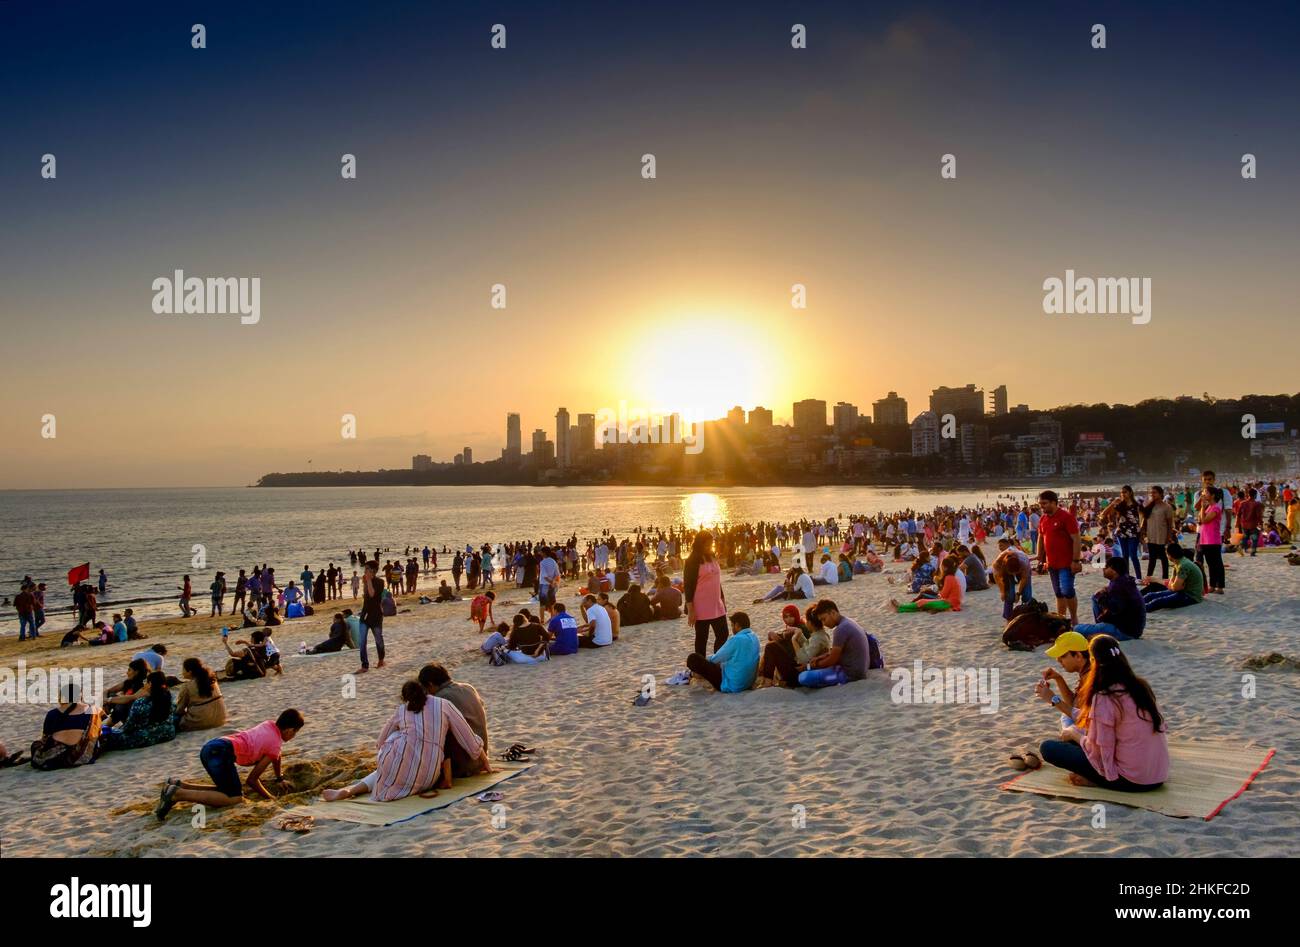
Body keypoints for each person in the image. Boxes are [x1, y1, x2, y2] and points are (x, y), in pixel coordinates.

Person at [1038, 635, 1169, 791]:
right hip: (1158, 776)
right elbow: (1091, 719)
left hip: (1131, 781)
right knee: (1074, 731)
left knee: (1048, 748)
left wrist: (1074, 734)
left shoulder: (1105, 696)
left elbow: (1099, 752)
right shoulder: (1140, 686)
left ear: (1094, 663)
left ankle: (1097, 781)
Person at [321, 683, 490, 802]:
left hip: (400, 771)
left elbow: (380, 743)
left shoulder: (401, 710)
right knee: (401, 759)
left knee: (391, 754)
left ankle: (349, 791)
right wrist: (485, 762)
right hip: (429, 777)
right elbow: (468, 737)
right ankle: (352, 789)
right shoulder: (444, 704)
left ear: (405, 698)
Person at [157, 710, 305, 818]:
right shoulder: (274, 745)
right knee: (234, 798)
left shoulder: (269, 725)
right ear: (290, 730)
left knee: (226, 790)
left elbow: (276, 757)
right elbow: (252, 780)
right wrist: (271, 799)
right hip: (221, 753)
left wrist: (279, 778)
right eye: (295, 732)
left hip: (213, 746)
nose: (294, 736)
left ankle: (180, 785)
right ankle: (178, 794)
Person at [419, 662, 491, 775]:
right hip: (481, 758)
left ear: (430, 684)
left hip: (463, 765)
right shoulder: (469, 688)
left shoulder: (439, 699)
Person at [798, 599, 879, 688]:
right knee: (817, 667)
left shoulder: (840, 629)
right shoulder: (849, 621)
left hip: (849, 675)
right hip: (859, 670)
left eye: (824, 619)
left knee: (803, 677)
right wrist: (819, 658)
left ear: (832, 612)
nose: (824, 623)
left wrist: (811, 666)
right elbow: (836, 652)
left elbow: (832, 660)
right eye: (821, 621)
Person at [30, 682, 103, 770]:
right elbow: (98, 732)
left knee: (35, 745)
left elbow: (45, 739)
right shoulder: (94, 709)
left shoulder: (52, 714)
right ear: (80, 695)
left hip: (56, 753)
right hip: (79, 753)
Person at [1035, 490, 1082, 624]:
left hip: (1067, 563)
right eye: (1040, 504)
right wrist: (1040, 556)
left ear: (1054, 502)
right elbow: (1041, 537)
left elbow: (1076, 539)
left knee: (1067, 590)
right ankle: (1061, 619)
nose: (1042, 506)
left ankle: (1073, 618)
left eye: (1044, 503)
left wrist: (1076, 560)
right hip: (1051, 563)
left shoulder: (1066, 517)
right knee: (1058, 593)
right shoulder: (1043, 519)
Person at [684, 611, 760, 692]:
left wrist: (705, 660)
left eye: (732, 625)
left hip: (732, 685)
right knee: (721, 663)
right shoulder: (755, 637)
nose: (732, 628)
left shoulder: (736, 639)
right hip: (748, 683)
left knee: (693, 658)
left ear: (737, 625)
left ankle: (692, 674)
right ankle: (695, 674)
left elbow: (716, 658)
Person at [101, 672, 176, 752]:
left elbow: (128, 727)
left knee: (107, 735)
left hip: (144, 737)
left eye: (146, 682)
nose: (144, 684)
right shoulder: (169, 697)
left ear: (150, 684)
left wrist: (117, 729)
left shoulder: (141, 702)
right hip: (168, 733)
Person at [758, 603, 829, 687]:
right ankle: (767, 679)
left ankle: (767, 681)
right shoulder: (818, 635)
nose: (788, 619)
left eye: (790, 616)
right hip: (802, 669)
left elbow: (803, 660)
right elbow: (806, 646)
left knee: (771, 646)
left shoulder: (817, 637)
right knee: (772, 646)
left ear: (810, 622)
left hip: (800, 673)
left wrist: (794, 639)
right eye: (785, 617)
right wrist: (798, 633)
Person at [1076, 556, 1146, 640]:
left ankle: (1101, 628)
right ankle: (1101, 626)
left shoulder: (1119, 586)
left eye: (1106, 567)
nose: (1103, 569)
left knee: (1077, 629)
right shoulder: (1123, 581)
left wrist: (1100, 596)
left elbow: (1114, 608)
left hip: (1125, 631)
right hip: (1131, 628)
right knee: (1095, 598)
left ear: (1113, 570)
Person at [684, 531, 728, 655]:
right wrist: (690, 609)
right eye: (707, 545)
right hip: (700, 605)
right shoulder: (692, 561)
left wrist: (723, 599)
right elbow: (688, 585)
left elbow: (717, 580)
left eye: (711, 544)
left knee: (723, 634)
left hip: (716, 603)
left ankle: (716, 661)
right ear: (699, 544)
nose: (709, 547)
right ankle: (701, 668)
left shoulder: (712, 557)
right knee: (702, 638)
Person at [1034, 631, 1093, 722]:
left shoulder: (1092, 678)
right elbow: (1074, 705)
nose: (1058, 660)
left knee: (1067, 721)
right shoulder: (1087, 671)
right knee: (1066, 718)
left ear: (1078, 656)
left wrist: (1053, 699)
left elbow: (1085, 718)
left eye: (1062, 656)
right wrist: (1059, 679)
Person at [1140, 543, 1203, 611]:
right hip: (1183, 591)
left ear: (1170, 555)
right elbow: (1172, 583)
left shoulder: (1183, 565)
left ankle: (1136, 610)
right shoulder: (1179, 562)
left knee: (1157, 602)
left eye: (1166, 554)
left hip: (1191, 596)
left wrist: (1172, 585)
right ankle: (1133, 604)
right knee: (1150, 595)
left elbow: (1175, 588)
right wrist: (1172, 585)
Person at [173, 658, 227, 731]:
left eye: (183, 669)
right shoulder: (212, 680)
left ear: (190, 672)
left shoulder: (187, 686)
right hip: (221, 718)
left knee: (173, 714)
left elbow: (179, 710)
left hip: (201, 721)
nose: (182, 672)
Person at [1196, 486, 1226, 594]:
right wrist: (1203, 507)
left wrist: (1203, 507)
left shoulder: (1216, 508)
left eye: (1205, 493)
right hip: (1205, 539)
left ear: (1212, 495)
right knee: (1210, 564)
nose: (1203, 495)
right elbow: (1200, 520)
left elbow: (1204, 520)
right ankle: (1212, 585)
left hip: (1213, 539)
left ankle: (1220, 586)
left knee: (1217, 563)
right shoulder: (1208, 507)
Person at [358, 559, 386, 673]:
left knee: (378, 639)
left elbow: (372, 594)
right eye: (365, 569)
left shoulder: (380, 582)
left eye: (367, 569)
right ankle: (365, 665)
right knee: (362, 641)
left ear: (373, 571)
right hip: (365, 614)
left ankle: (381, 660)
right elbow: (366, 596)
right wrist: (365, 582)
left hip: (376, 615)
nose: (365, 571)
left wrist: (368, 581)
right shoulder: (365, 580)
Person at [1140, 486, 1175, 578]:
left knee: (1163, 557)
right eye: (1151, 493)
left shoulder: (1167, 507)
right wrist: (1143, 533)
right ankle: (1149, 576)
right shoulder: (1149, 506)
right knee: (1152, 558)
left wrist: (1169, 537)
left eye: (1155, 492)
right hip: (1151, 535)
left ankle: (1165, 577)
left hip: (1161, 536)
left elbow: (1170, 524)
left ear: (1160, 494)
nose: (1152, 494)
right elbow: (1144, 522)